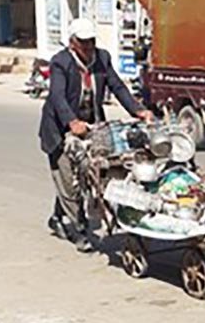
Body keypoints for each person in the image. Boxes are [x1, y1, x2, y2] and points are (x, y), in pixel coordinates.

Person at [38, 18, 152, 252]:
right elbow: (57, 97)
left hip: (93, 125)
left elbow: (117, 86)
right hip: (61, 128)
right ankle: (79, 230)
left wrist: (137, 109)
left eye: (91, 41)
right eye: (83, 42)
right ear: (72, 43)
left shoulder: (102, 58)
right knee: (68, 178)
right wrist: (72, 121)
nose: (89, 46)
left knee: (97, 171)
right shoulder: (61, 62)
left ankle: (58, 216)